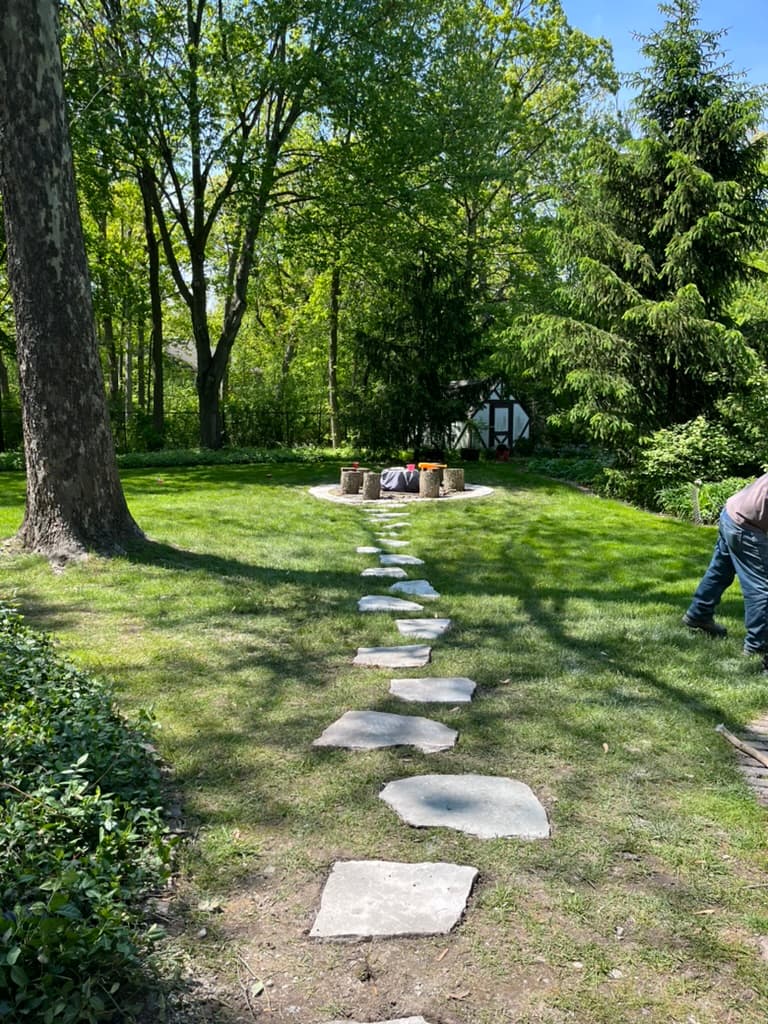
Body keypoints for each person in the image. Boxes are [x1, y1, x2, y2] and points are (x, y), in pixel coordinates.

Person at [683, 473, 768, 668]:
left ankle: (699, 614)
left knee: (720, 571)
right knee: (761, 587)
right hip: (745, 526)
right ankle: (758, 646)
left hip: (730, 513)